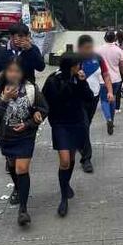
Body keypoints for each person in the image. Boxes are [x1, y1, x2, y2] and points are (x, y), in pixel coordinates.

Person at [0, 59, 48, 226]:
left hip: (25, 136)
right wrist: (5, 99)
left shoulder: (31, 89)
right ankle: (18, 187)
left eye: (17, 71)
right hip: (6, 137)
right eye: (10, 71)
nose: (14, 74)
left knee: (22, 168)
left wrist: (32, 121)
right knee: (12, 167)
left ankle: (23, 209)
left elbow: (43, 108)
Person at [42, 53, 95, 217]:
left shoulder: (78, 79)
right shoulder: (53, 80)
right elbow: (47, 101)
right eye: (78, 65)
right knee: (64, 160)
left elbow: (88, 98)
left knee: (71, 159)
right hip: (60, 124)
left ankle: (66, 184)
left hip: (77, 122)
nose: (80, 68)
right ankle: (63, 197)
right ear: (71, 66)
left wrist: (82, 81)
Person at [76, 34, 116, 172]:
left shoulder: (98, 59)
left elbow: (105, 75)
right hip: (79, 98)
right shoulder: (75, 60)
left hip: (94, 96)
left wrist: (110, 91)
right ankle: (86, 159)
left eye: (90, 47)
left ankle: (79, 143)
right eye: (85, 47)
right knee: (84, 125)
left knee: (85, 125)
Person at [97, 30, 123, 125]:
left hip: (102, 79)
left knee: (104, 100)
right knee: (112, 97)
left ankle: (108, 118)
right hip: (116, 79)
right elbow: (122, 66)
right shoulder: (119, 50)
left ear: (105, 38)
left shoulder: (99, 50)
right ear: (115, 38)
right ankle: (112, 120)